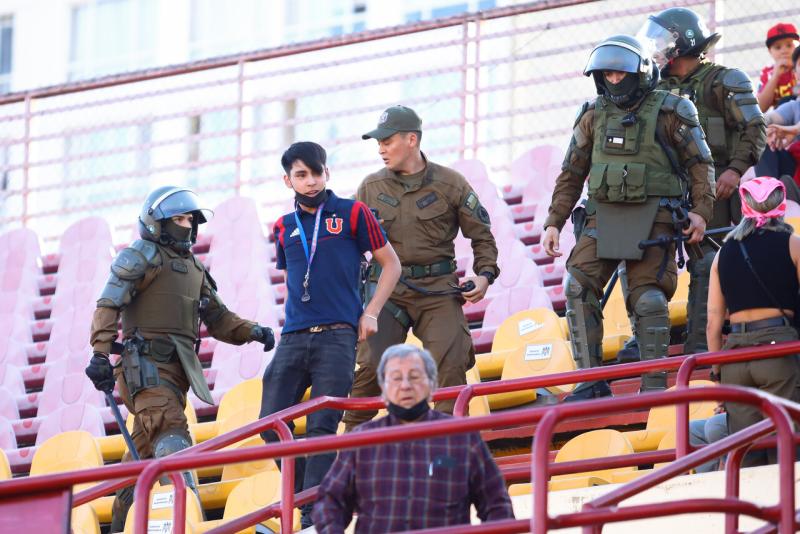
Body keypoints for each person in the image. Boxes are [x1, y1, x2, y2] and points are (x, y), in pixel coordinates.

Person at [84, 186, 275, 531]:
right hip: (146, 370)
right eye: (179, 218)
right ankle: (193, 522)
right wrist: (100, 352)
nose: (187, 225)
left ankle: (118, 526)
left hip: (176, 375)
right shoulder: (140, 255)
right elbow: (108, 304)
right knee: (173, 438)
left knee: (139, 461)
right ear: (157, 222)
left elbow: (218, 318)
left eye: (190, 219)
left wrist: (254, 331)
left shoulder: (193, 268)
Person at [542, 34, 715, 400]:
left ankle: (653, 389)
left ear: (641, 72)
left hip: (657, 218)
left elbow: (701, 167)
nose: (614, 80)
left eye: (621, 74)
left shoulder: (672, 111)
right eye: (608, 74)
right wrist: (553, 222)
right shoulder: (592, 114)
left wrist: (700, 213)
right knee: (576, 285)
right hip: (602, 217)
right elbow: (571, 173)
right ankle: (590, 383)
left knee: (648, 299)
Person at [259, 141, 401, 529]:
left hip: (337, 337)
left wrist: (370, 312)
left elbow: (392, 265)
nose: (310, 182)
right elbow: (294, 277)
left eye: (316, 173)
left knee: (322, 427)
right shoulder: (282, 227)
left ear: (327, 173)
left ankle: (312, 513)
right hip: (292, 337)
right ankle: (322, 493)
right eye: (301, 175)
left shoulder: (354, 213)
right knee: (269, 424)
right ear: (287, 179)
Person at [342, 105, 499, 430]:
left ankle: (446, 452)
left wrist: (484, 276)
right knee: (369, 368)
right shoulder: (369, 187)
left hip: (438, 290)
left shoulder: (451, 183)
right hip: (387, 291)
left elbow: (482, 237)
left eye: (387, 141)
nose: (381, 149)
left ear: (411, 139)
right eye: (378, 143)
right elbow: (348, 248)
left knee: (451, 364)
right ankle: (342, 452)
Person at [638, 7, 766, 354]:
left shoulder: (726, 80)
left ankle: (699, 345)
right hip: (665, 191)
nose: (655, 46)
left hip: (714, 190)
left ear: (683, 42)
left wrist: (734, 170)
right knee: (643, 265)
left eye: (662, 39)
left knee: (706, 264)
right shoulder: (652, 87)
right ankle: (644, 344)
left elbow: (755, 127)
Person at [312, 344, 514, 532]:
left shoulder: (461, 437)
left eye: (415, 377)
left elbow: (496, 504)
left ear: (432, 385)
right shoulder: (361, 441)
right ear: (383, 389)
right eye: (396, 378)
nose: (406, 386)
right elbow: (329, 502)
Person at [707, 176, 800, 466]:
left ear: (744, 206)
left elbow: (712, 322)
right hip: (778, 352)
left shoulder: (723, 253)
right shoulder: (793, 244)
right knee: (787, 443)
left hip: (736, 355)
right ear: (781, 205)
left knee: (746, 451)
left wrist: (717, 373)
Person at [757, 46, 800, 187]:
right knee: (763, 141)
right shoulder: (794, 106)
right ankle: (769, 198)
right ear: (795, 74)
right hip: (794, 167)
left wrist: (794, 130)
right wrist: (767, 130)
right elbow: (767, 118)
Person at [757, 22, 799, 112]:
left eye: (789, 45)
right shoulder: (768, 73)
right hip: (782, 117)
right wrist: (775, 76)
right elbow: (760, 108)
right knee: (784, 103)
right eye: (778, 47)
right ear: (770, 51)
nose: (784, 51)